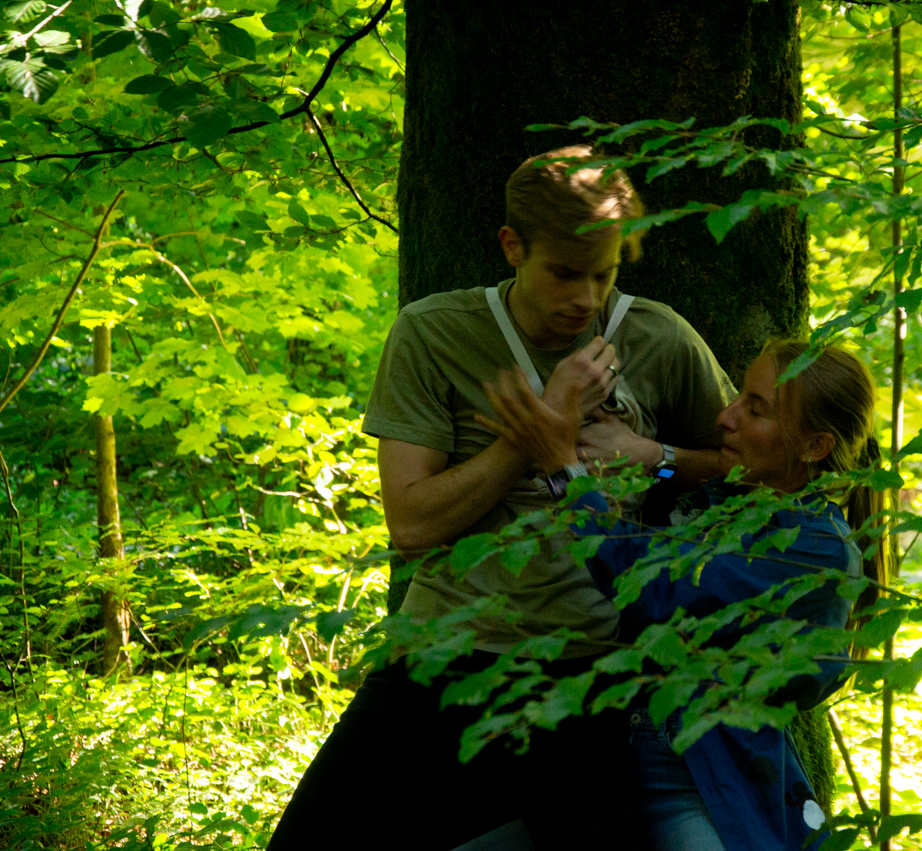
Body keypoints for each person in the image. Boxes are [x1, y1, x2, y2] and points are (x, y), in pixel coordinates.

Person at [266, 147, 734, 850]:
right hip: (441, 652)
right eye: (565, 273)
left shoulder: (658, 337)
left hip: (591, 670)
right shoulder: (435, 332)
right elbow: (411, 524)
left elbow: (746, 471)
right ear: (513, 247)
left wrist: (658, 459)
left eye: (604, 274)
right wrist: (535, 433)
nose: (586, 298)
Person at [481, 338, 887, 851]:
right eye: (738, 397)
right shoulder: (746, 499)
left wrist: (564, 468)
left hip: (699, 783)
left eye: (755, 409)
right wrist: (655, 460)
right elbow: (693, 474)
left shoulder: (814, 548)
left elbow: (651, 586)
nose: (725, 416)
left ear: (814, 447)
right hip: (609, 764)